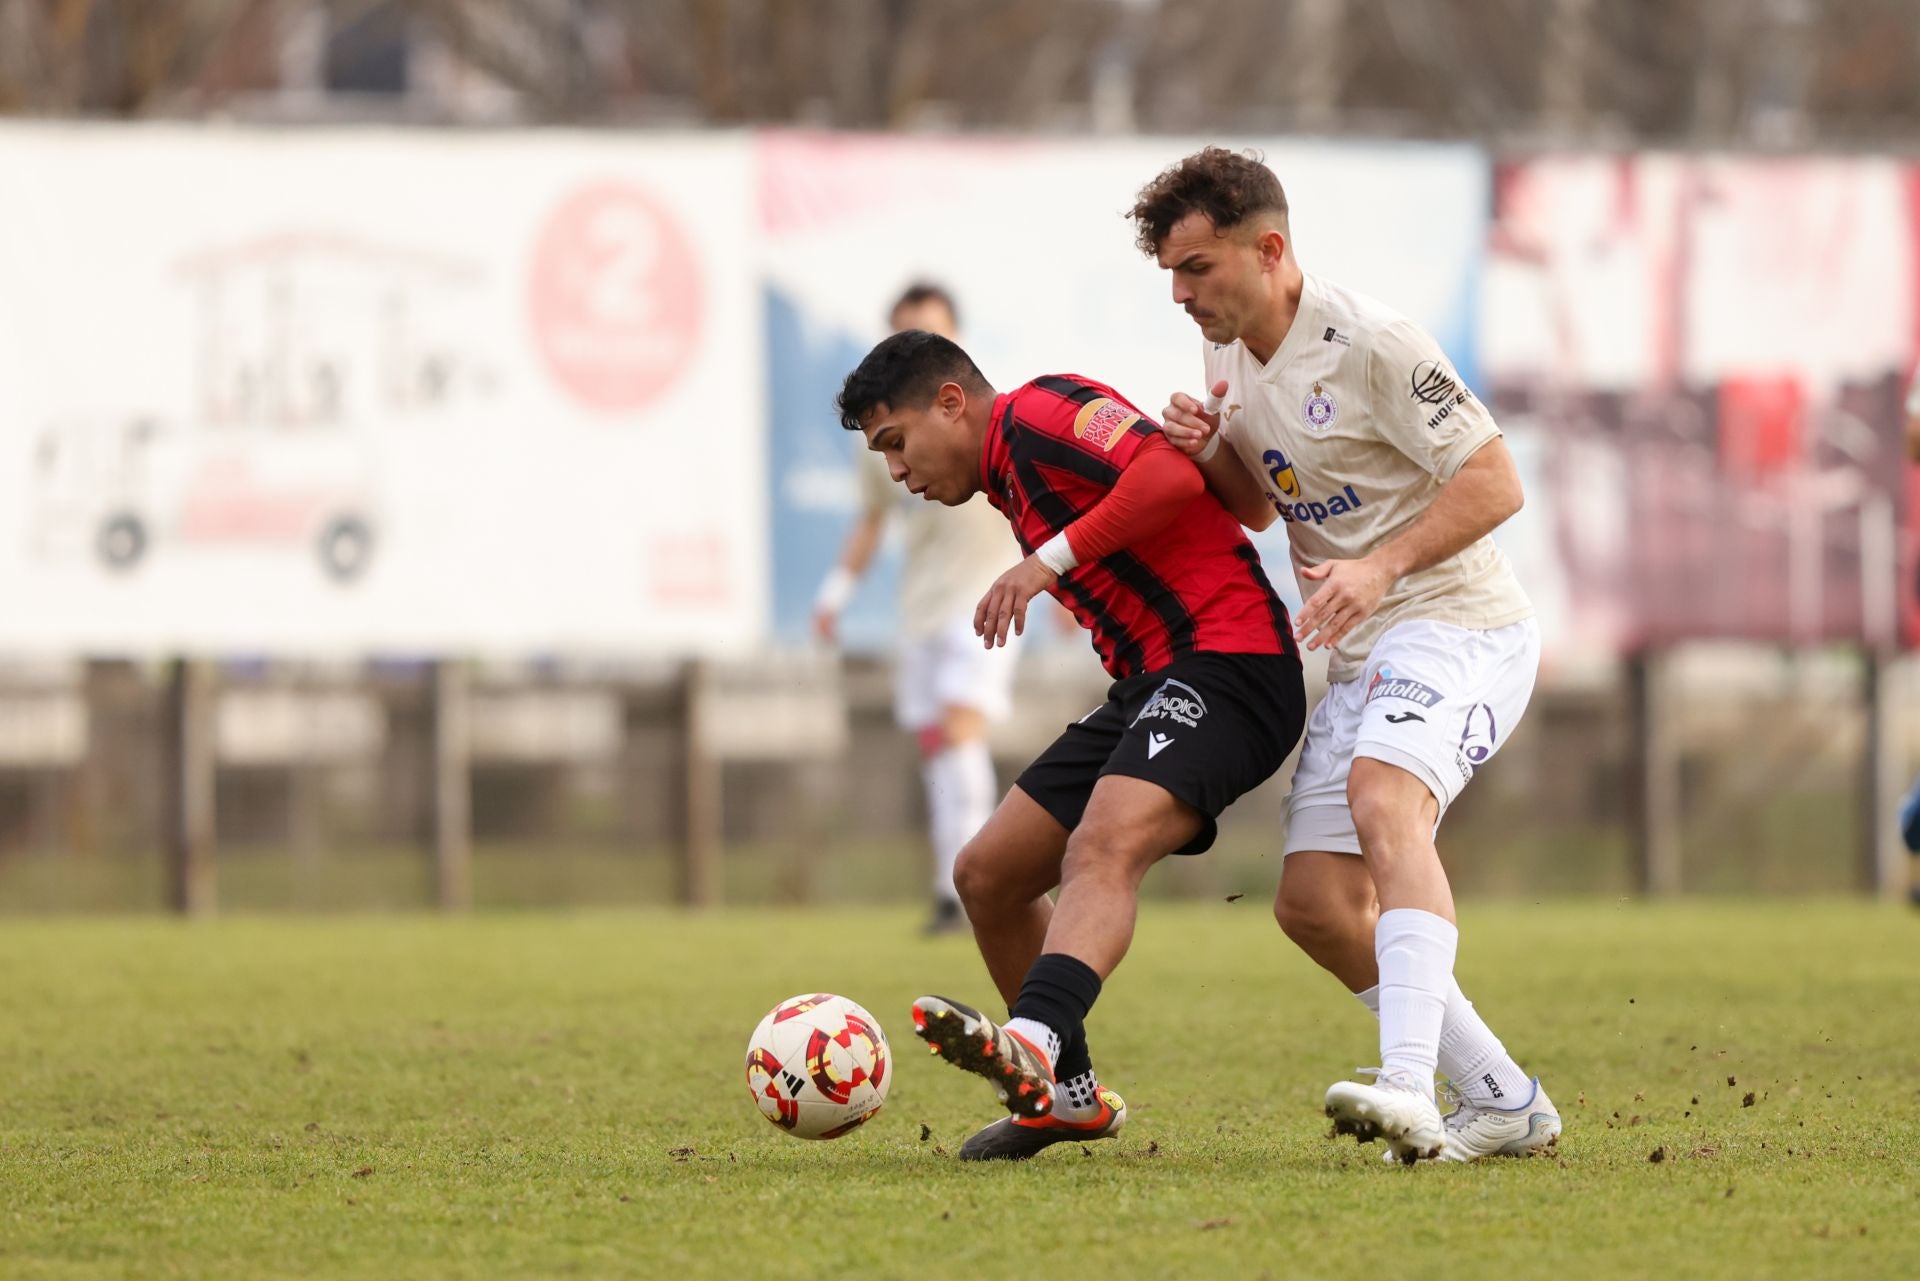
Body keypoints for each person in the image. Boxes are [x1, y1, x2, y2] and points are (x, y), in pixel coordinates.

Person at [1131, 146, 1559, 1164]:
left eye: (1197, 269)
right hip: (1365, 649)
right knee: (1314, 906)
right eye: (1171, 277)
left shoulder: (1373, 341)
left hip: (1462, 625)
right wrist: (1208, 453)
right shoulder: (1228, 351)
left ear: (1269, 249)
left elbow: (1497, 481)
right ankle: (1502, 1099)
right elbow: (1253, 501)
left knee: (1382, 802)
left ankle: (1409, 1085)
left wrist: (1382, 565)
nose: (1182, 294)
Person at [836, 330, 1305, 1160]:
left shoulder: (1041, 413)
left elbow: (1164, 471)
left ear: (951, 402)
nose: (898, 472)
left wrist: (1045, 563)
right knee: (988, 874)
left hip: (1232, 663)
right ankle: (1067, 1098)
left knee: (1103, 842)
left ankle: (1033, 1039)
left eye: (895, 443)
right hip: (1148, 686)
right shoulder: (1007, 483)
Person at [813, 284, 1018, 934]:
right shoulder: (881, 431)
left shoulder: (991, 412)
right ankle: (948, 885)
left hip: (984, 591)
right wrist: (835, 593)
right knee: (936, 743)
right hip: (921, 601)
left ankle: (979, 885)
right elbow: (873, 516)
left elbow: (1035, 496)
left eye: (928, 330)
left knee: (961, 729)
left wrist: (1060, 579)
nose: (899, 463)